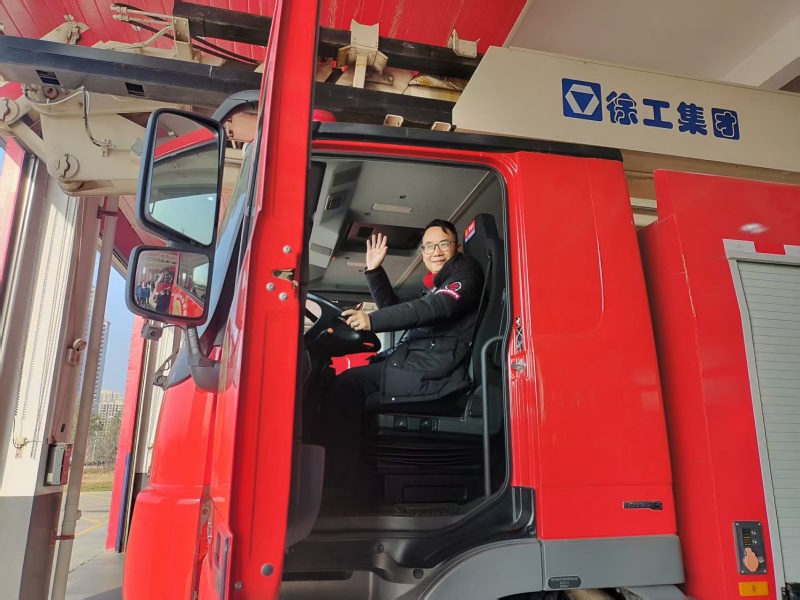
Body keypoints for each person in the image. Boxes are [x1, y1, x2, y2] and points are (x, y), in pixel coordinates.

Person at [323, 219, 484, 502]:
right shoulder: (435, 286)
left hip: (433, 373)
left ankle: (338, 487)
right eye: (429, 246)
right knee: (349, 382)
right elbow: (398, 308)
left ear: (457, 247)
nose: (436, 252)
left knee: (347, 386)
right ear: (422, 253)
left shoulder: (465, 273)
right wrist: (374, 271)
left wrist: (372, 320)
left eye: (443, 244)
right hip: (414, 365)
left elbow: (436, 307)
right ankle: (354, 481)